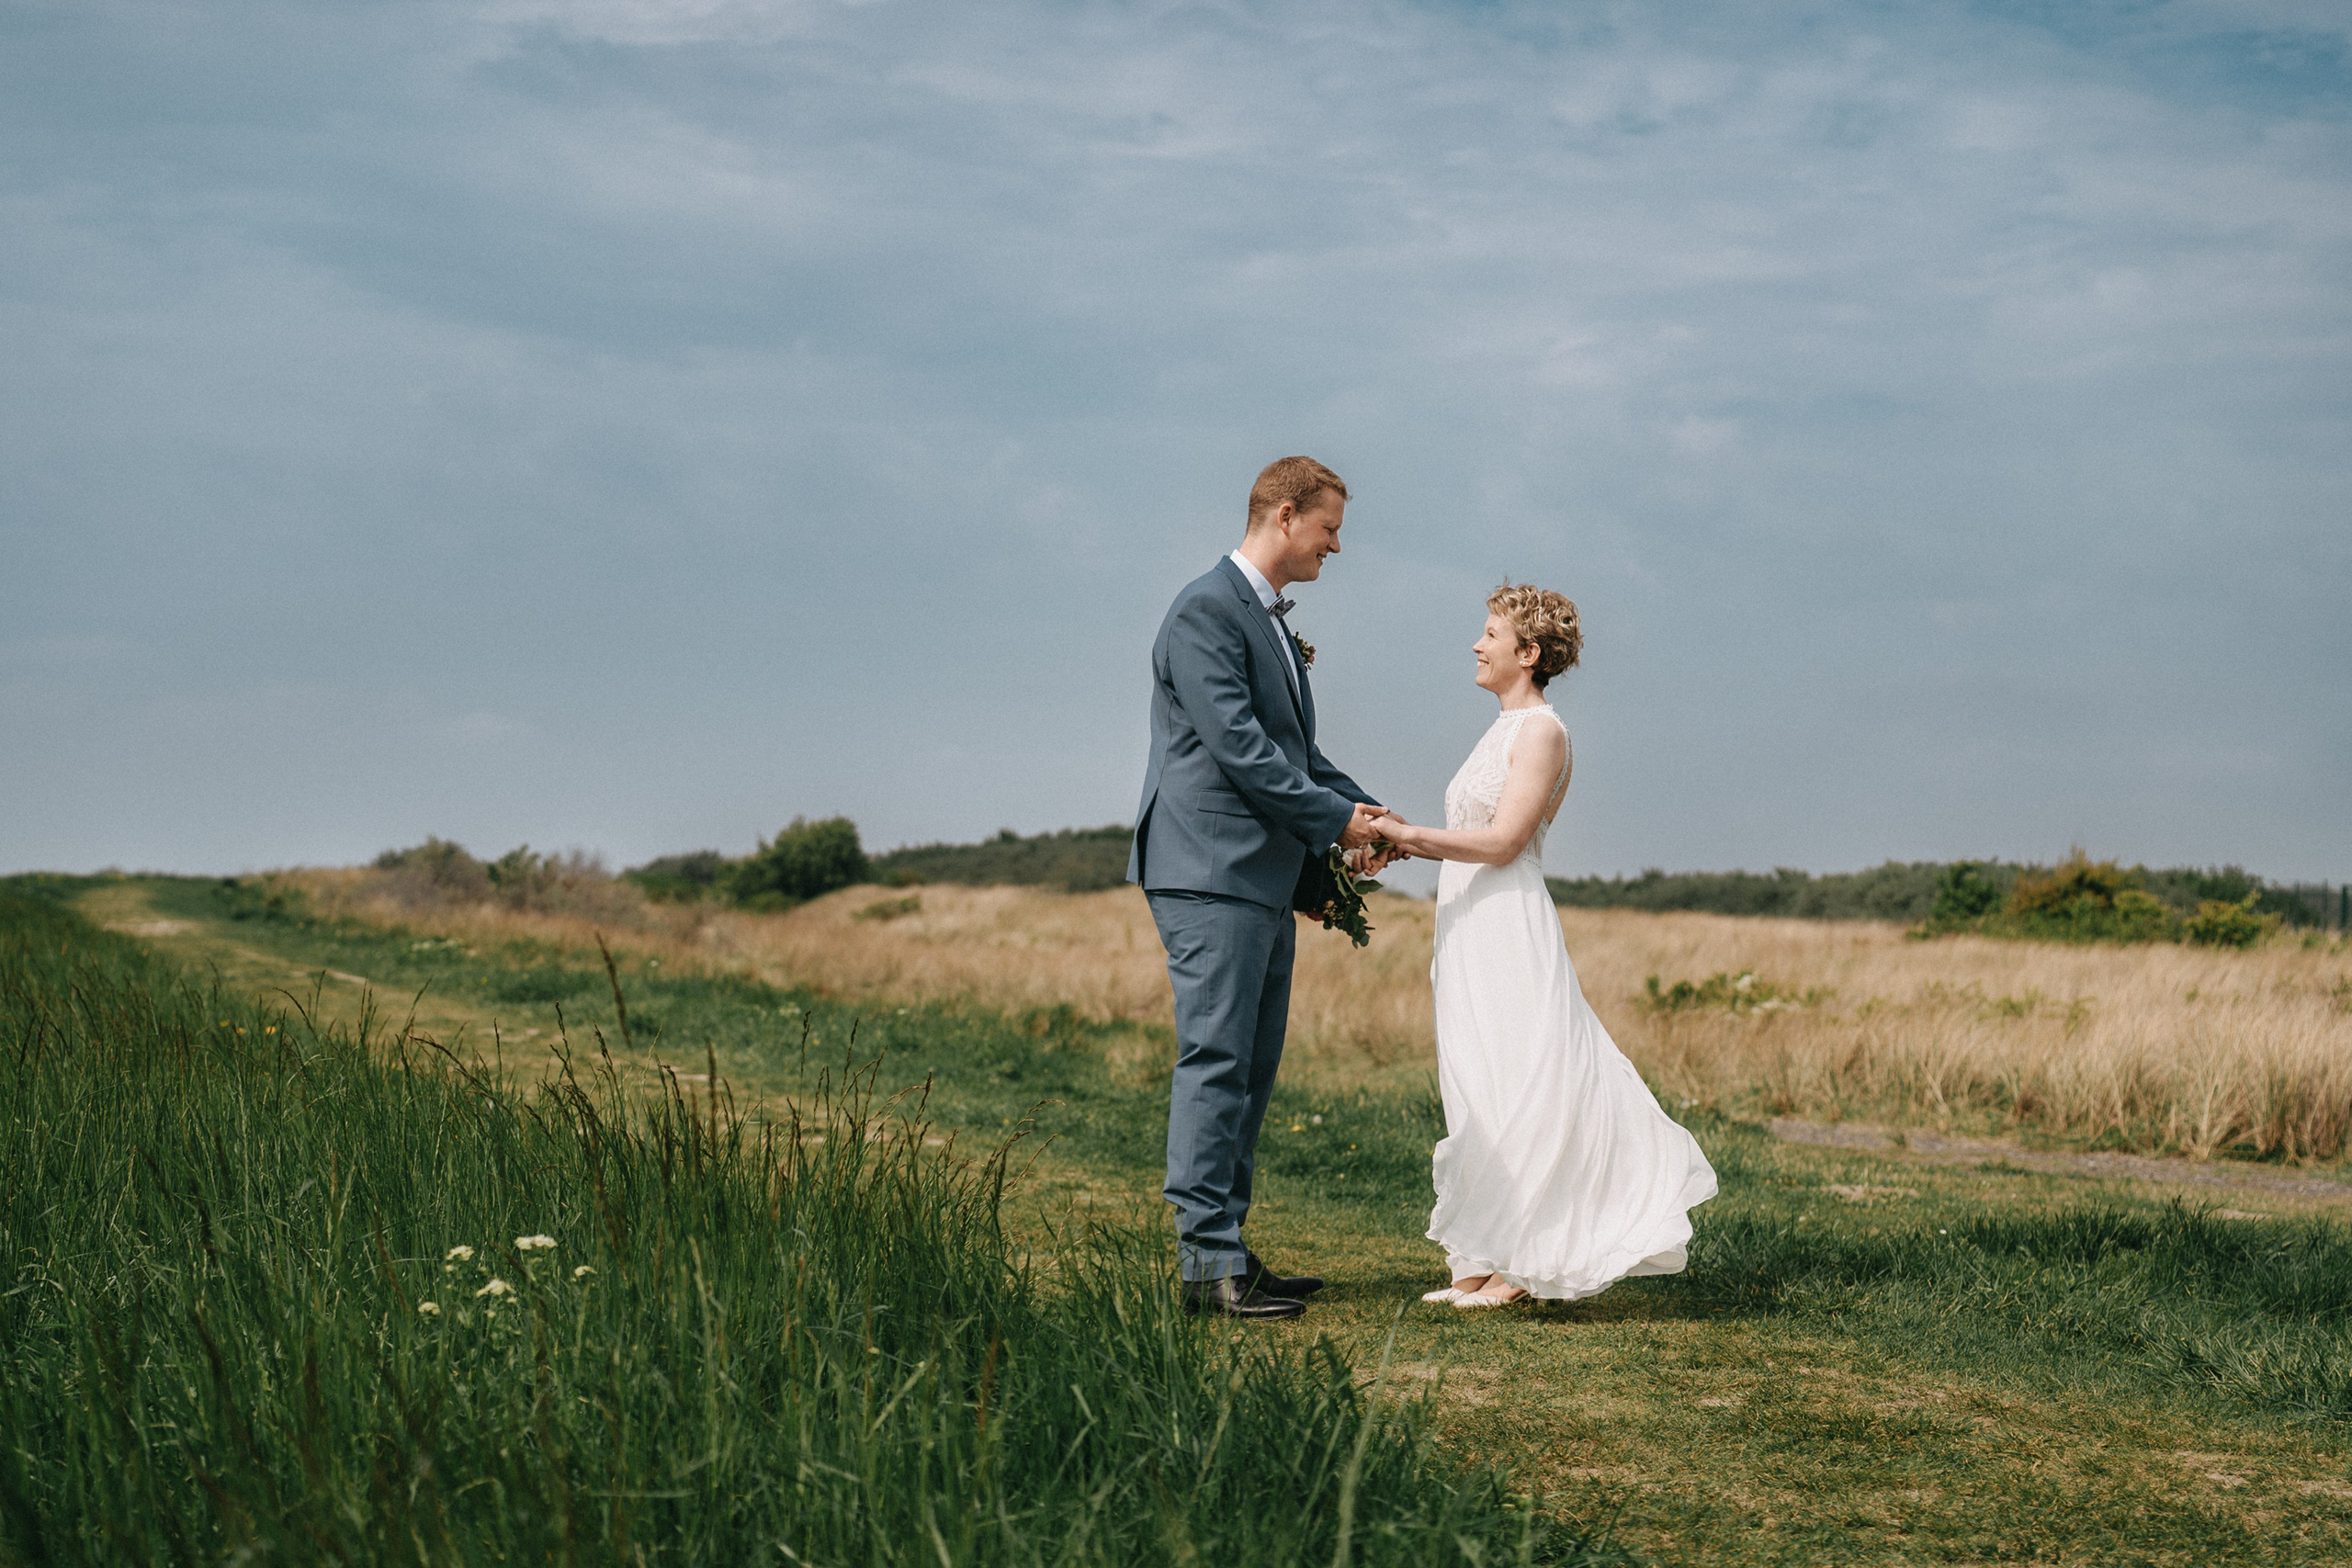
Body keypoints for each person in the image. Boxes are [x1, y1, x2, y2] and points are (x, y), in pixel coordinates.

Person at [1368, 583, 1717, 1308]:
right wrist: (1404, 845)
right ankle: (1483, 1253)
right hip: (1466, 926)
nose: (1476, 643)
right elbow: (1468, 837)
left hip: (1507, 924)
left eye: (1490, 632)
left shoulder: (1543, 732)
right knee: (1476, 1080)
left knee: (1522, 1078)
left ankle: (1527, 1261)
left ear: (1527, 653)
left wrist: (1406, 835)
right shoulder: (1499, 730)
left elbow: (1503, 841)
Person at [1127, 456, 1392, 1320]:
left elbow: (1297, 758)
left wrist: (1364, 812)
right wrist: (1335, 823)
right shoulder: (1207, 609)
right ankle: (1206, 1265)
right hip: (1209, 870)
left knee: (1253, 1069)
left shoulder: (1268, 619)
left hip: (1261, 877)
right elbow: (1241, 750)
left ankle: (1227, 1247)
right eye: (1330, 527)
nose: (1337, 545)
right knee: (1217, 1061)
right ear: (1285, 515)